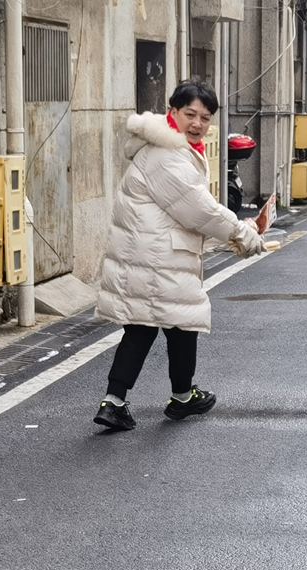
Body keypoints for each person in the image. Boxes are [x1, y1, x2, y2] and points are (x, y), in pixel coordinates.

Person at [93, 81, 265, 432]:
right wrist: (241, 234)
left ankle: (121, 402)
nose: (198, 123)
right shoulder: (167, 154)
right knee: (179, 323)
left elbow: (190, 211)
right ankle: (177, 398)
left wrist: (235, 229)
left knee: (148, 327)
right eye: (190, 114)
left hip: (152, 252)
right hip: (159, 256)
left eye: (205, 117)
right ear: (172, 112)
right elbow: (199, 209)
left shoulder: (172, 147)